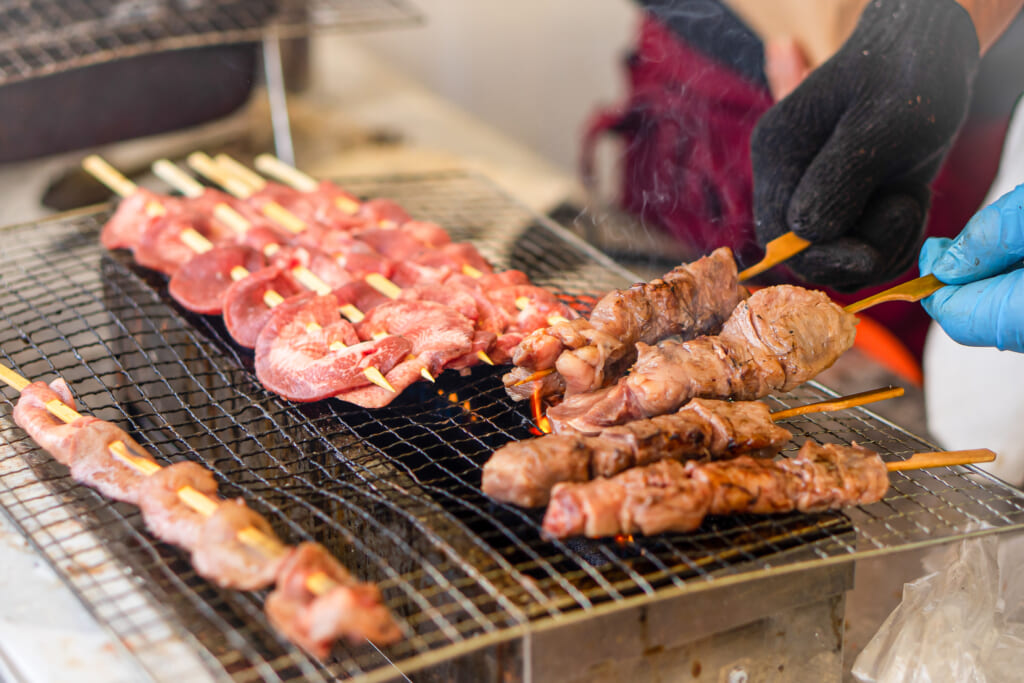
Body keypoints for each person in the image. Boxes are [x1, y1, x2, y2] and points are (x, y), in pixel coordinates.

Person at [586, 0, 1024, 372]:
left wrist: (933, 26)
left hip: (932, 107)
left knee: (865, 358)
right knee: (644, 332)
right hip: (696, 81)